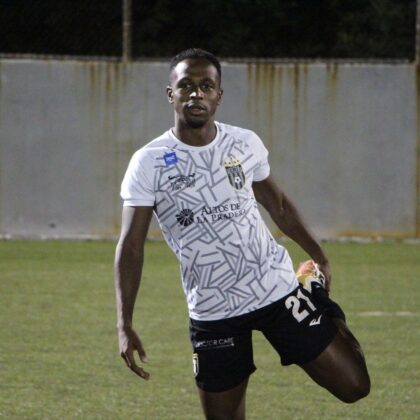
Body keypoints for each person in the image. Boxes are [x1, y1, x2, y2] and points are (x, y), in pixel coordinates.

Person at [115, 48, 370, 419]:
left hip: (275, 290)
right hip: (213, 309)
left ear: (219, 95)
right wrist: (124, 323)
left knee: (354, 386)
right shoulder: (148, 162)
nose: (196, 93)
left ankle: (311, 289)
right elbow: (131, 246)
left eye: (206, 86)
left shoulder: (243, 143)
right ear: (170, 93)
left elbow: (278, 206)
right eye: (186, 86)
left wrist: (320, 255)